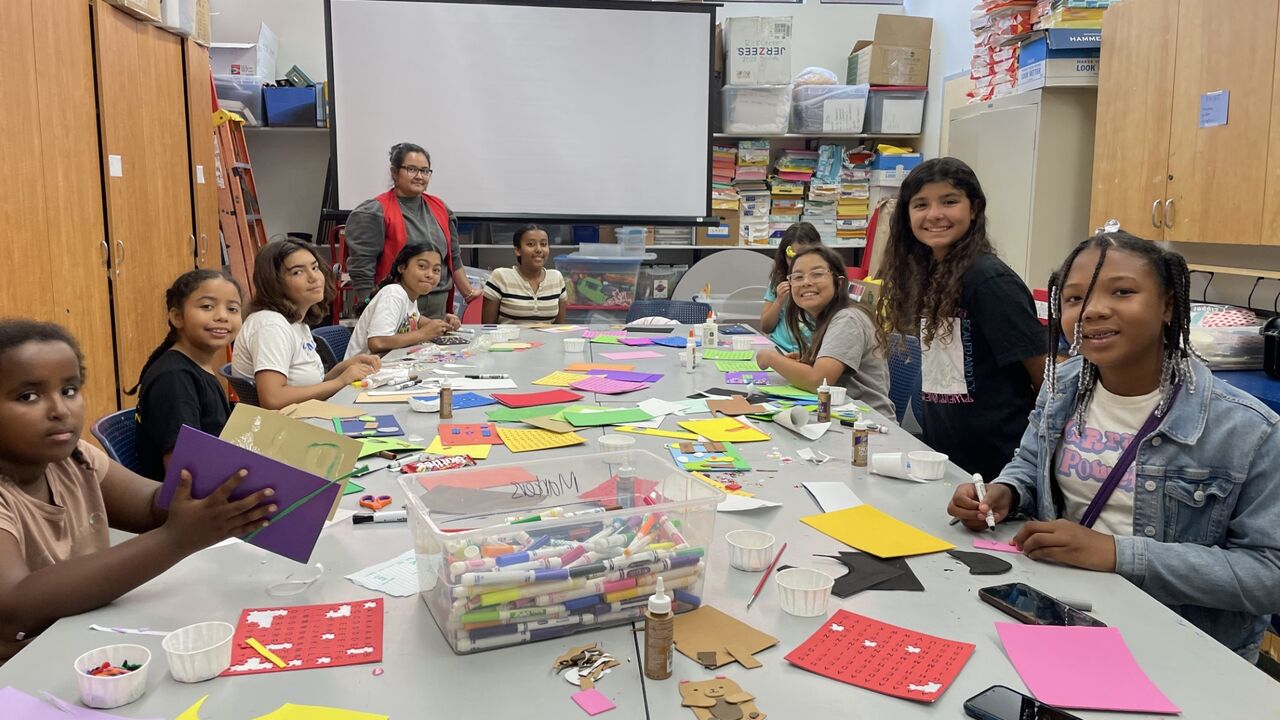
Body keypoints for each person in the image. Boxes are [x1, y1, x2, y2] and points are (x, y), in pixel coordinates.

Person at [947, 233, 1280, 661]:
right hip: (1061, 618)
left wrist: (1116, 554)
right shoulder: (1062, 387)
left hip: (1181, 649)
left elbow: (1268, 576)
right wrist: (1005, 493)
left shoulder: (1248, 429)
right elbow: (1030, 463)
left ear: (1168, 306)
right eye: (1073, 298)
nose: (1093, 309)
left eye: (1122, 291)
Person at [0, 320, 277, 663]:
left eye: (69, 390)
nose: (60, 410)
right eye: (28, 396)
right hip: (23, 672)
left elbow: (150, 505)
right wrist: (177, 539)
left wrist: (220, 495)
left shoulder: (75, 459)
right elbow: (13, 606)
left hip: (86, 641)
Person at [877, 158, 1046, 480]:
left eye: (949, 201)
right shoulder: (930, 275)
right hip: (949, 457)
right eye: (921, 204)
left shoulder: (988, 280)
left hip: (1001, 464)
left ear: (974, 208)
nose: (934, 214)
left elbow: (1043, 378)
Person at [232, 240, 380, 410]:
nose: (313, 277)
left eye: (315, 267)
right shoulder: (270, 325)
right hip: (285, 429)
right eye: (297, 272)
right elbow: (273, 399)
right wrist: (340, 381)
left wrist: (343, 368)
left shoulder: (295, 322)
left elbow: (308, 385)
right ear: (274, 282)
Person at [128, 270, 242, 480]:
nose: (222, 316)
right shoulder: (175, 378)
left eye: (232, 309)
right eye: (207, 306)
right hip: (189, 505)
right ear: (177, 317)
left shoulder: (199, 366)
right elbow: (183, 474)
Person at [345, 142, 481, 319]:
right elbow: (362, 268)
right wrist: (370, 310)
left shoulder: (440, 208)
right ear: (394, 172)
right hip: (395, 307)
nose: (419, 176)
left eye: (425, 171)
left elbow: (453, 258)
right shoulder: (373, 212)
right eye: (411, 169)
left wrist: (469, 294)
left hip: (438, 306)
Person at [754, 245, 893, 418]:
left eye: (817, 274)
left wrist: (771, 358)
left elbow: (819, 381)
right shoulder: (826, 317)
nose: (806, 282)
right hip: (838, 415)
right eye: (798, 277)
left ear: (839, 282)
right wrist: (810, 361)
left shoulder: (848, 319)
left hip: (868, 425)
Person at [345, 243, 457, 358]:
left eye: (436, 270)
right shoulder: (394, 294)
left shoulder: (409, 297)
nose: (430, 275)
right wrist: (423, 334)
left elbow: (416, 319)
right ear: (402, 268)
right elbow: (377, 342)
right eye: (422, 266)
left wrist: (444, 324)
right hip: (361, 373)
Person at [481, 224, 567, 325]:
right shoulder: (500, 277)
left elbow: (559, 328)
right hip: (507, 340)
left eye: (543, 244)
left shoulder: (557, 278)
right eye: (531, 244)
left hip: (547, 341)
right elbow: (487, 327)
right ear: (518, 250)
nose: (539, 249)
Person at [760, 222, 822, 353]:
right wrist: (779, 301)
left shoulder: (823, 282)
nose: (796, 264)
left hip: (809, 353)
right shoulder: (778, 279)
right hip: (779, 348)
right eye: (791, 257)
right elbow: (765, 327)